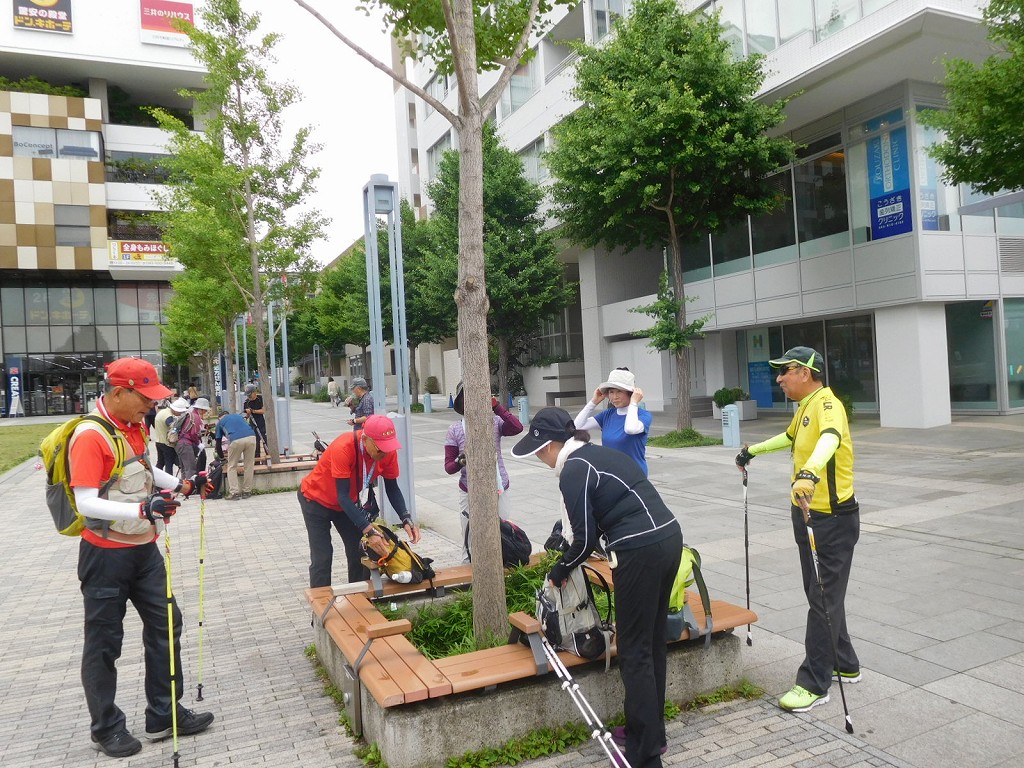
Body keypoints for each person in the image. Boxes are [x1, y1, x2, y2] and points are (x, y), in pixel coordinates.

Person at [512, 407, 681, 768]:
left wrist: (560, 568)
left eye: (540, 450)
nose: (541, 458)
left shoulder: (573, 470)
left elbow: (584, 539)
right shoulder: (598, 455)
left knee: (633, 650)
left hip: (638, 550)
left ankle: (645, 755)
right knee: (652, 643)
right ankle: (649, 732)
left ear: (552, 445)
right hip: (669, 539)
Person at [69, 357, 213, 758]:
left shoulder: (133, 427)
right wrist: (142, 510)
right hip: (105, 557)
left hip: (144, 551)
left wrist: (187, 483)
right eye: (145, 398)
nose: (151, 406)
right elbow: (86, 502)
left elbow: (148, 472)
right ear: (119, 392)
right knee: (104, 644)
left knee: (168, 625)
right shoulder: (90, 436)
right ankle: (106, 728)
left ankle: (164, 714)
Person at [734, 346, 860, 714]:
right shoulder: (805, 407)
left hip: (831, 518)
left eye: (785, 371)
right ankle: (845, 663)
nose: (779, 379)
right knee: (821, 592)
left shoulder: (827, 404)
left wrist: (810, 472)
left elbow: (830, 440)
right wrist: (751, 451)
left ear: (805, 372)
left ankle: (813, 682)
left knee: (822, 596)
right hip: (807, 513)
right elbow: (790, 438)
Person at [298, 414, 421, 587]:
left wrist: (405, 517)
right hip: (315, 500)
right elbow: (342, 495)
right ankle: (321, 610)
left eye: (388, 448)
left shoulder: (388, 452)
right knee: (323, 557)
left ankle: (358, 599)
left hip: (346, 504)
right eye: (379, 448)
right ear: (365, 439)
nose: (384, 453)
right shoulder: (344, 447)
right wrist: (369, 531)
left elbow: (392, 488)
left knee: (360, 552)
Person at [444, 381, 523, 561]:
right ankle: (468, 568)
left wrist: (497, 407)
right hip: (468, 488)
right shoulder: (455, 429)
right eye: (467, 397)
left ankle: (501, 565)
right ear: (461, 402)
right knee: (468, 534)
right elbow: (448, 467)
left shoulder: (494, 422)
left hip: (498, 485)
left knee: (501, 530)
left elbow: (517, 427)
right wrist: (460, 461)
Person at [574, 367, 653, 475]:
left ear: (630, 393)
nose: (614, 397)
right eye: (611, 392)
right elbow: (577, 426)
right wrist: (593, 402)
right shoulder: (607, 414)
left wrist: (633, 402)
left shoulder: (643, 415)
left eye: (619, 391)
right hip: (610, 474)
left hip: (634, 474)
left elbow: (630, 429)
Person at [213, 409, 257, 500]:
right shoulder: (238, 416)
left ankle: (234, 492)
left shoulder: (220, 422)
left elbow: (218, 444)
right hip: (251, 437)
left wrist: (221, 458)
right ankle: (247, 491)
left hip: (236, 440)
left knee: (232, 466)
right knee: (249, 465)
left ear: (220, 418)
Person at [175, 397, 210, 479]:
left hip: (180, 443)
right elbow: (194, 434)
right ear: (200, 409)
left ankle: (184, 488)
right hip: (186, 445)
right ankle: (190, 488)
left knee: (184, 468)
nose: (205, 412)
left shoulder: (189, 414)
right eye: (204, 410)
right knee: (191, 469)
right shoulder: (196, 417)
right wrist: (199, 444)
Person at [153, 397, 189, 475]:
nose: (180, 414)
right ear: (176, 410)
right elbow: (172, 426)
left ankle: (155, 480)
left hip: (159, 441)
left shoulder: (163, 412)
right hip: (167, 444)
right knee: (169, 464)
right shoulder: (168, 417)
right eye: (180, 412)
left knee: (160, 463)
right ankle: (169, 482)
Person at [243, 384, 267, 458]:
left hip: (261, 422)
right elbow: (247, 416)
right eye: (247, 395)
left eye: (250, 394)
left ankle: (269, 456)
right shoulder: (246, 402)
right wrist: (247, 414)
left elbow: (263, 411)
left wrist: (253, 411)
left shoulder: (260, 398)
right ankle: (257, 460)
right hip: (252, 424)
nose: (249, 396)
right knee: (255, 443)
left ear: (254, 392)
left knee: (265, 441)